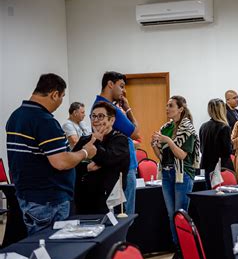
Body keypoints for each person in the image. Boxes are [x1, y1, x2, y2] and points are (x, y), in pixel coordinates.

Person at [6, 73, 97, 235]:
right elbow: (61, 162)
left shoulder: (16, 116)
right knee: (54, 250)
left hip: (28, 195)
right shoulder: (44, 121)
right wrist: (85, 152)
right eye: (61, 97)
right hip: (48, 200)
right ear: (54, 94)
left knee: (39, 245)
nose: (61, 103)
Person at [151, 95, 200, 259]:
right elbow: (162, 157)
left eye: (171, 106)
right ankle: (178, 250)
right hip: (167, 173)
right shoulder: (166, 127)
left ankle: (186, 252)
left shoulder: (188, 128)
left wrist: (169, 142)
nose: (167, 108)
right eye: (166, 105)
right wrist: (155, 146)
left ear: (180, 109)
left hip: (183, 175)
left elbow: (182, 155)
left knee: (181, 215)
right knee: (172, 215)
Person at [93, 71, 140, 215]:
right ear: (110, 84)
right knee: (125, 216)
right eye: (121, 86)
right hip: (122, 168)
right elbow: (135, 132)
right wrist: (128, 109)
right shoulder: (110, 109)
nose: (124, 91)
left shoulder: (99, 105)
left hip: (116, 165)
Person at [74, 102, 130, 214]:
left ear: (111, 120)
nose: (96, 120)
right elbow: (72, 163)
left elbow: (108, 160)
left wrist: (97, 142)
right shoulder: (84, 140)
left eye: (101, 116)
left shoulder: (120, 140)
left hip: (109, 202)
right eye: (93, 116)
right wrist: (87, 168)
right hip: (84, 200)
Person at [199, 99, 234, 189]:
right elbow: (227, 151)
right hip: (222, 168)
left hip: (208, 166)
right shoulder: (224, 127)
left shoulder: (203, 126)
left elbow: (202, 149)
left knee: (210, 195)